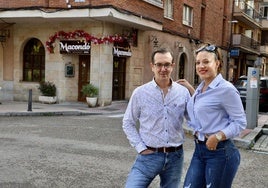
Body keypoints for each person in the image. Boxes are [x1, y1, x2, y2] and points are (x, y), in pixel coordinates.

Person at [122, 48, 190, 187]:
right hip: (148, 156)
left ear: (173, 66)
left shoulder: (183, 92)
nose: (163, 69)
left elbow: (194, 120)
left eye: (167, 64)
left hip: (175, 157)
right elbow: (128, 122)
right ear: (152, 66)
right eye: (159, 65)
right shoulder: (140, 93)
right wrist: (140, 147)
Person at [182, 44, 247, 188]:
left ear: (217, 63)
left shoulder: (226, 89)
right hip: (199, 150)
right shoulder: (201, 87)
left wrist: (216, 136)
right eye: (198, 62)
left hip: (220, 152)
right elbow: (204, 106)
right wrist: (189, 89)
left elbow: (240, 122)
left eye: (206, 62)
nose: (201, 66)